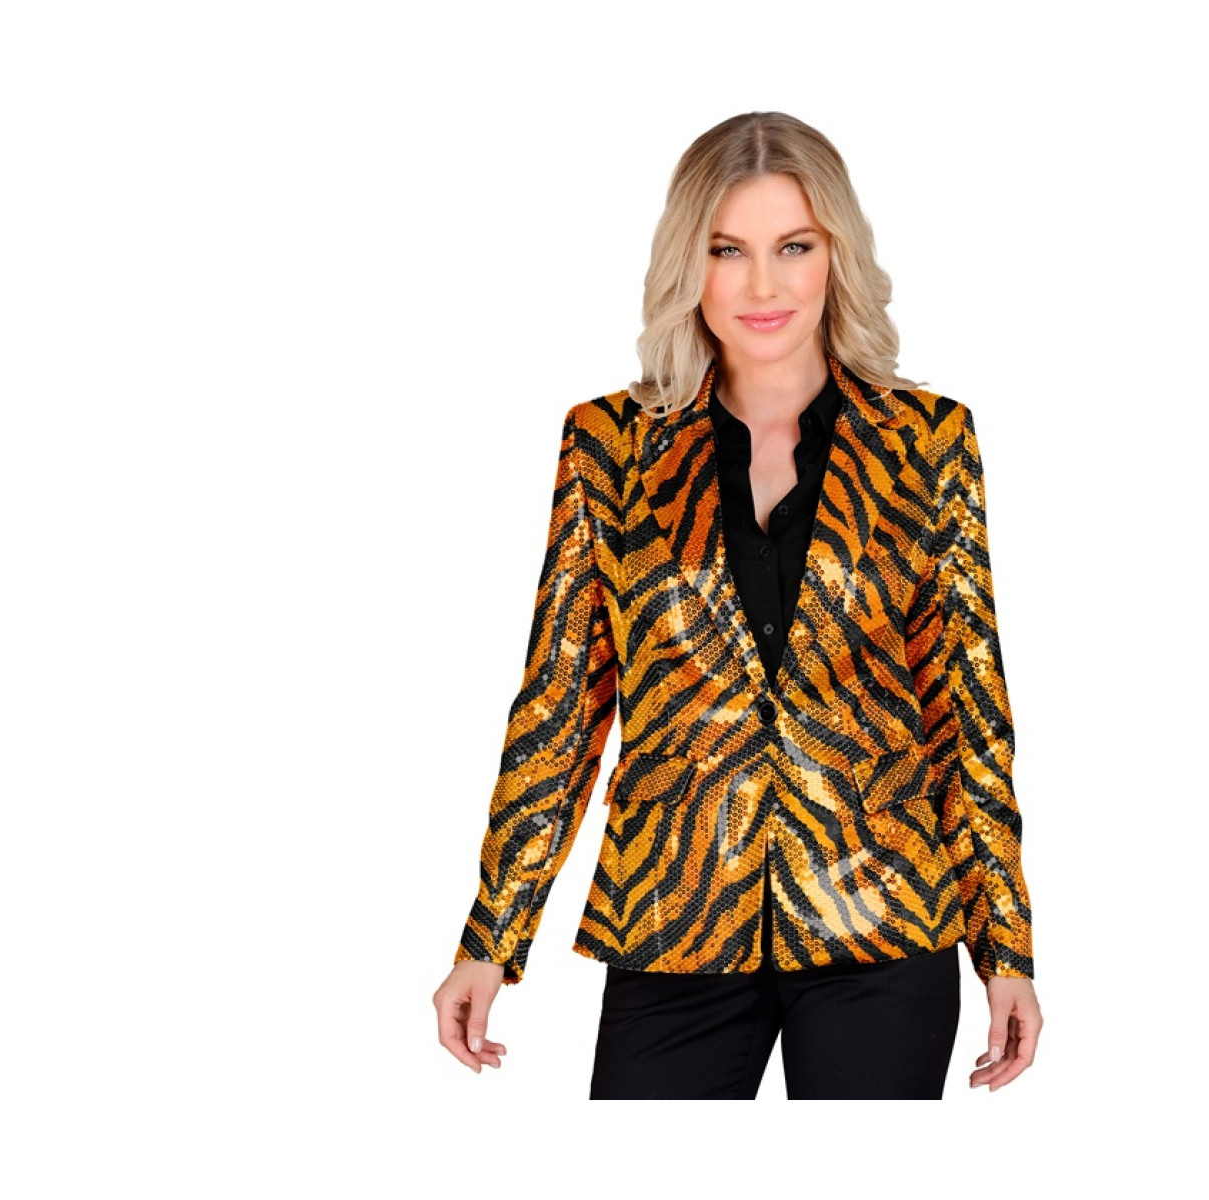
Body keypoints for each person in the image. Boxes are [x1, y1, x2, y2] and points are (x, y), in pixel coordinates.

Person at [433, 112, 1042, 1099]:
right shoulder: (607, 446)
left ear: (836, 256)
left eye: (793, 247)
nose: (763, 286)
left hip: (883, 921)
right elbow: (562, 701)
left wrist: (1004, 945)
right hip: (672, 920)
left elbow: (966, 708)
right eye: (728, 251)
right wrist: (491, 937)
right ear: (690, 263)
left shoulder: (928, 441)